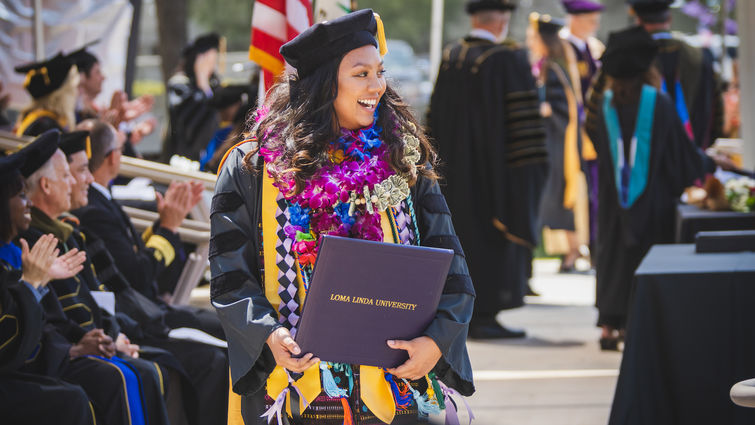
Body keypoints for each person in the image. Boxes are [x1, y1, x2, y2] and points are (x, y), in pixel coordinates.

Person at [211, 9, 475, 424]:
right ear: (322, 84)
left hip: (396, 386)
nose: (378, 85)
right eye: (361, 74)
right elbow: (229, 274)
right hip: (298, 391)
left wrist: (437, 342)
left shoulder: (403, 158)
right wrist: (267, 334)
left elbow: (451, 264)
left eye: (379, 71)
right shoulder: (253, 167)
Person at [66, 125, 229, 425]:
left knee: (227, 326)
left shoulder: (99, 202)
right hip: (137, 318)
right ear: (115, 158)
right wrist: (167, 228)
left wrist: (165, 226)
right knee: (215, 359)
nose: (86, 177)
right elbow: (136, 276)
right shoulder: (92, 211)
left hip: (143, 310)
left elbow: (130, 265)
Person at [19, 129, 175, 425]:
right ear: (46, 186)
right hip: (59, 350)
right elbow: (60, 315)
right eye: (71, 174)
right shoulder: (37, 242)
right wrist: (86, 344)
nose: (84, 179)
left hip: (107, 331)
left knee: (154, 368)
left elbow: (100, 296)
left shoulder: (67, 231)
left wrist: (114, 334)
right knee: (129, 374)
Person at [584, 26, 714, 350]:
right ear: (648, 67)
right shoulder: (660, 103)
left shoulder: (606, 104)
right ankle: (635, 324)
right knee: (643, 254)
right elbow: (681, 157)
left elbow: (600, 146)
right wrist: (709, 163)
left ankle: (609, 324)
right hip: (653, 203)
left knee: (613, 255)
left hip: (615, 202)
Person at [427, 0, 548, 339]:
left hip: (451, 174)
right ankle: (485, 313)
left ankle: (458, 310)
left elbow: (433, 118)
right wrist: (526, 176)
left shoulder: (452, 57)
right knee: (487, 238)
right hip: (493, 179)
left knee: (455, 235)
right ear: (502, 20)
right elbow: (523, 132)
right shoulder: (507, 60)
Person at [0, 150, 95, 425]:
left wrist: (38, 282)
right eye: (19, 196)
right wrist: (32, 284)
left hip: (41, 360)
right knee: (73, 397)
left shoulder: (22, 251)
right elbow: (8, 346)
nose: (28, 202)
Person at [528, 13, 584, 272]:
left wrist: (546, 108)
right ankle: (572, 251)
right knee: (554, 199)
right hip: (550, 140)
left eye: (534, 37)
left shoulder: (555, 68)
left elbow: (565, 107)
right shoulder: (548, 64)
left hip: (558, 144)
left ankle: (573, 251)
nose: (531, 42)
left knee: (558, 197)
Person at [628, 0, 723, 149]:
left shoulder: (625, 58)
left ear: (638, 20)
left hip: (639, 161)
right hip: (692, 157)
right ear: (669, 18)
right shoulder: (700, 57)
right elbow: (717, 112)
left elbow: (596, 117)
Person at [560, 0, 605, 264]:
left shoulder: (595, 48)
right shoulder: (561, 48)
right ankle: (571, 248)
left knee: (594, 191)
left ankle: (593, 244)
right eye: (590, 19)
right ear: (574, 18)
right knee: (571, 191)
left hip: (594, 134)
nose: (595, 25)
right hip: (571, 134)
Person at [163, 33, 222, 162]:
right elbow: (187, 121)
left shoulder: (212, 85)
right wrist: (202, 81)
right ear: (197, 59)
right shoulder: (179, 84)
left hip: (208, 153)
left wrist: (205, 85)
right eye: (207, 60)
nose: (211, 66)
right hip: (182, 155)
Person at [14, 52, 79, 136]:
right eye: (74, 87)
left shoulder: (38, 119)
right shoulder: (46, 127)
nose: (76, 92)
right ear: (61, 93)